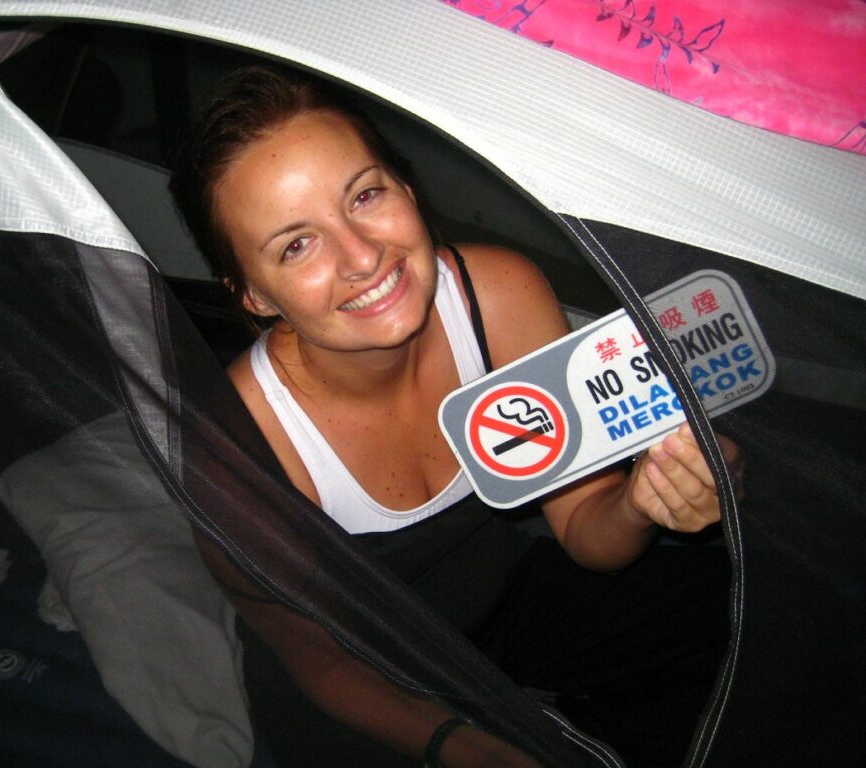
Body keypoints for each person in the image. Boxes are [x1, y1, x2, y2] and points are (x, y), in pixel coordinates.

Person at [170, 64, 742, 768]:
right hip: (379, 677)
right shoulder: (237, 451)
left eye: (366, 195)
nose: (362, 256)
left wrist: (644, 500)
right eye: (297, 244)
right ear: (252, 295)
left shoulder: (498, 297)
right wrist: (466, 748)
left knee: (731, 627)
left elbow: (586, 529)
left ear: (407, 189)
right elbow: (322, 663)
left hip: (506, 603)